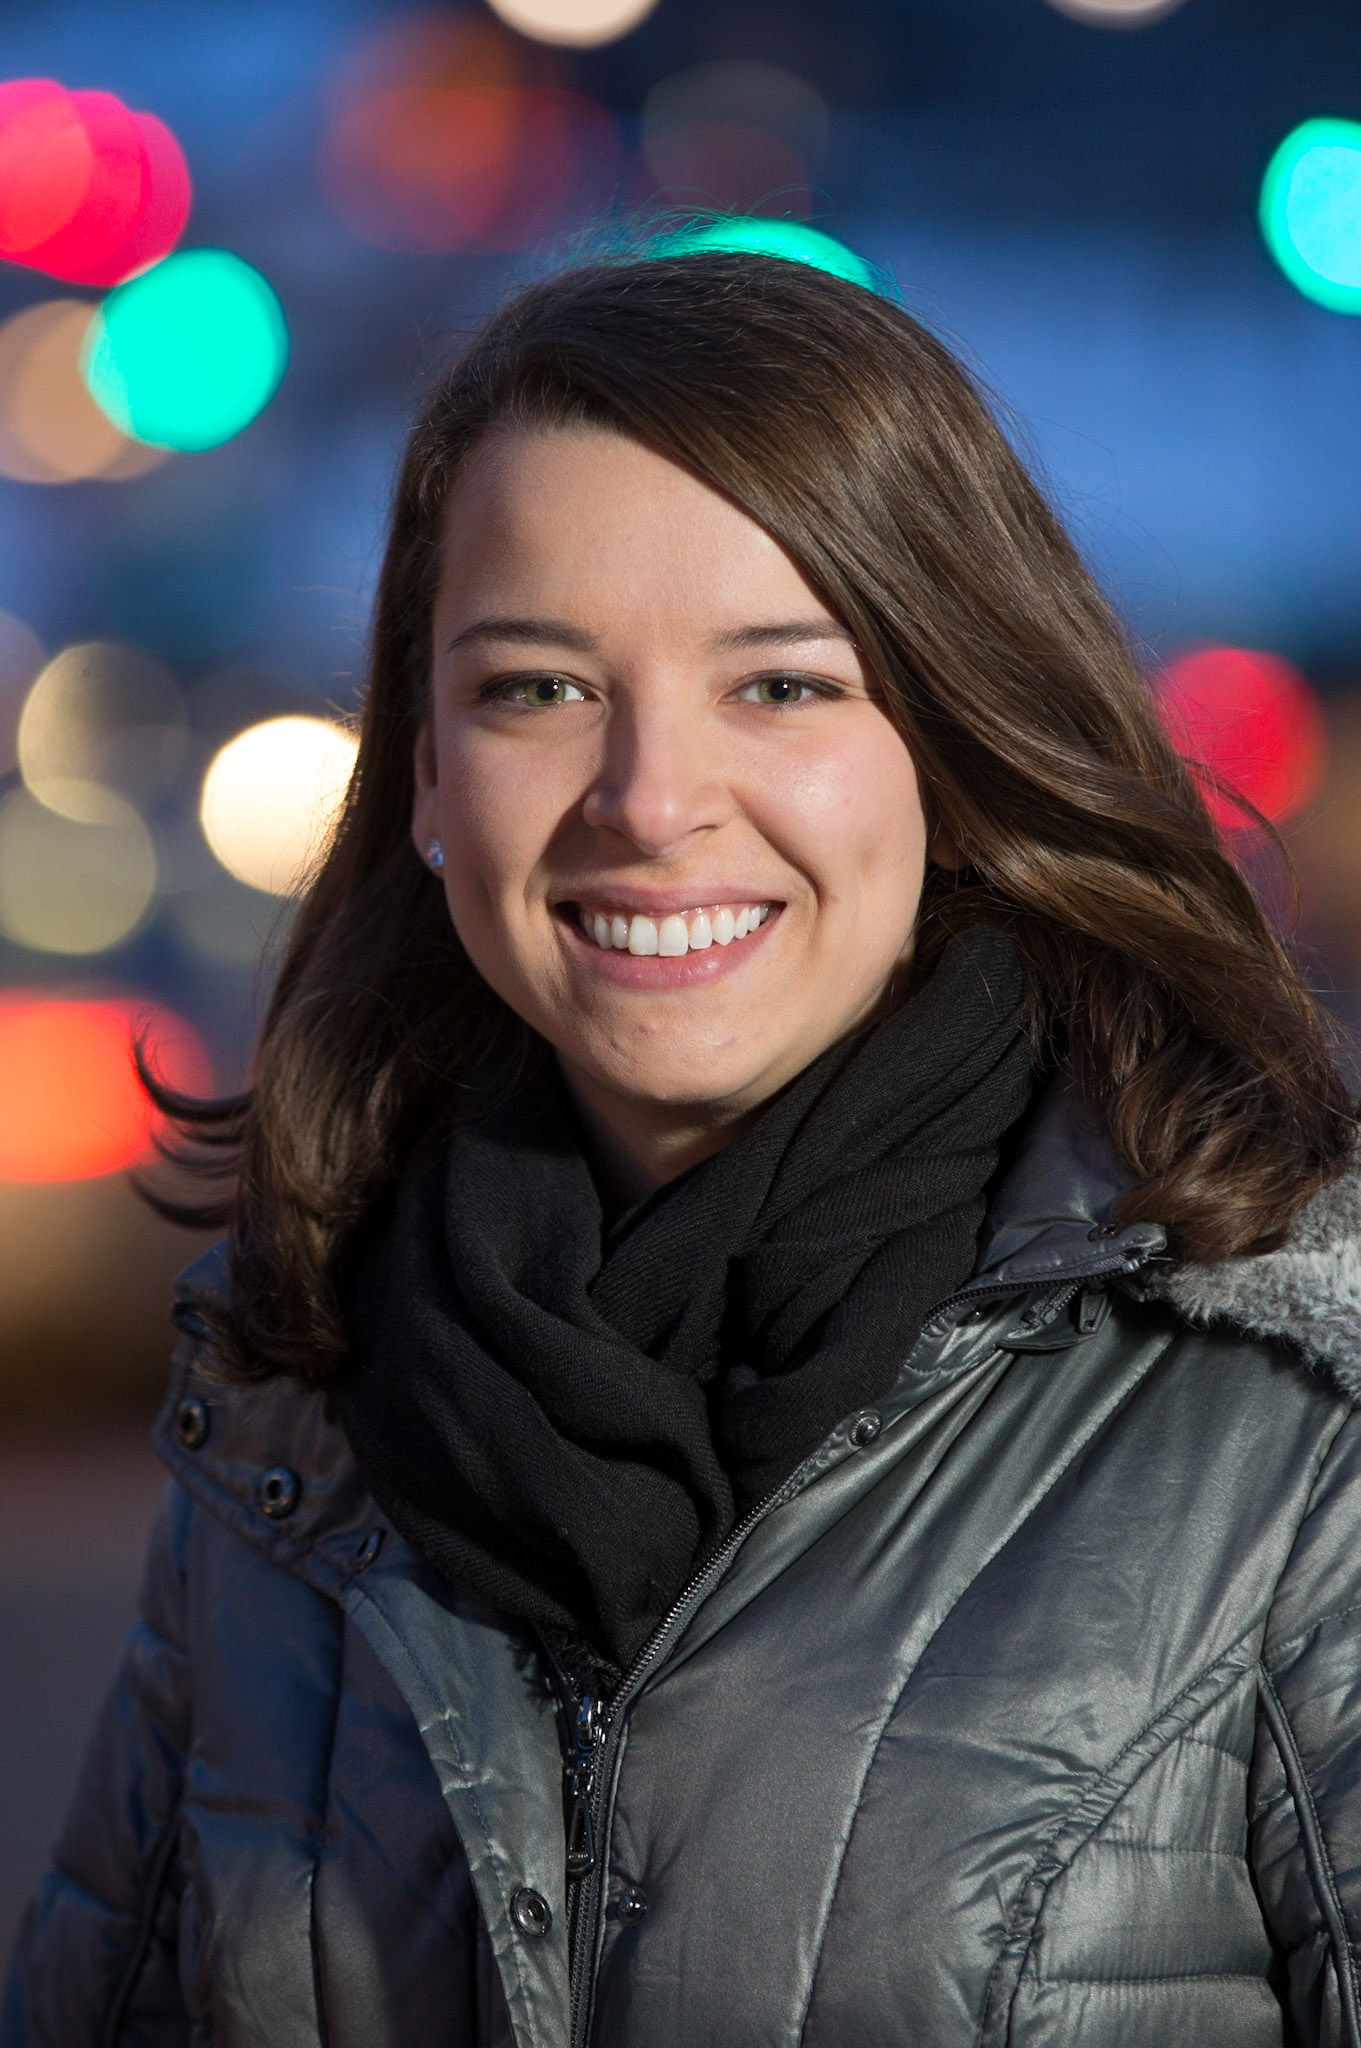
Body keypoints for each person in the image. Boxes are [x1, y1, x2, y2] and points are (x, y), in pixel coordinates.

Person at [5, 251, 1359, 2048]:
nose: (647, 800)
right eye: (536, 689)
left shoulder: (1289, 1414)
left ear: (951, 743)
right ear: (423, 775)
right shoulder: (282, 1418)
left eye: (778, 687)